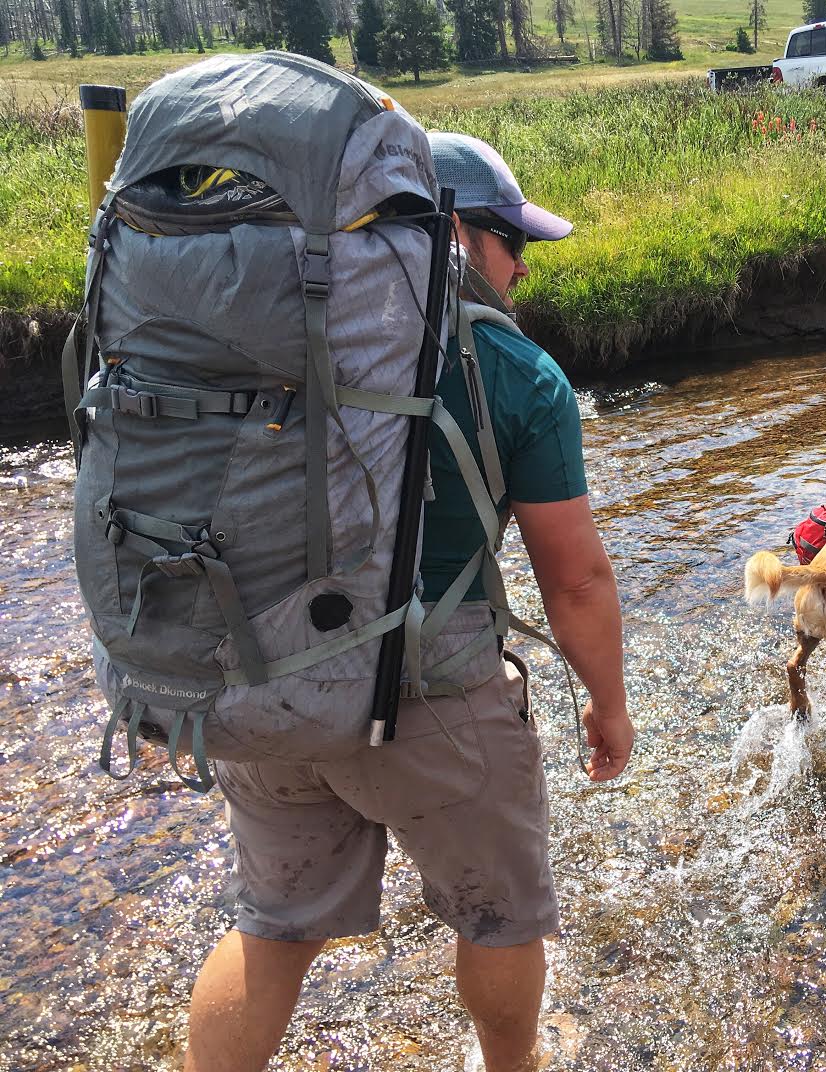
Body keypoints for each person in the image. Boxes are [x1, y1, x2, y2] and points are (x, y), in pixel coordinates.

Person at [183, 133, 634, 1072]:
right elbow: (577, 579)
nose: (521, 270)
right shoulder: (515, 374)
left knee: (273, 930)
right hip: (432, 701)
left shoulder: (254, 345)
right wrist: (608, 700)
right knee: (501, 920)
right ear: (460, 236)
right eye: (515, 243)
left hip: (270, 689)